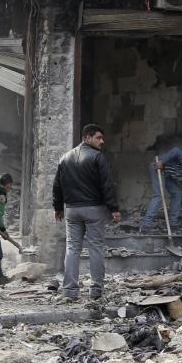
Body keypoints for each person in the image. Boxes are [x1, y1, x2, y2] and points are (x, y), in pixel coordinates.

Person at [52, 124, 120, 302]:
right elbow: (107, 185)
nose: (102, 141)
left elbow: (57, 185)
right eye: (98, 137)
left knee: (72, 248)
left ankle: (70, 292)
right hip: (93, 209)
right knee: (95, 248)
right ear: (87, 138)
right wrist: (114, 208)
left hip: (72, 210)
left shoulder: (64, 158)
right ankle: (96, 290)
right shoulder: (98, 157)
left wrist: (58, 207)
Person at [140, 148, 182, 233]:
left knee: (178, 193)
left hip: (168, 174)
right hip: (158, 166)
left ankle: (173, 224)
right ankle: (146, 226)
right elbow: (176, 151)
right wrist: (162, 162)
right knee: (158, 196)